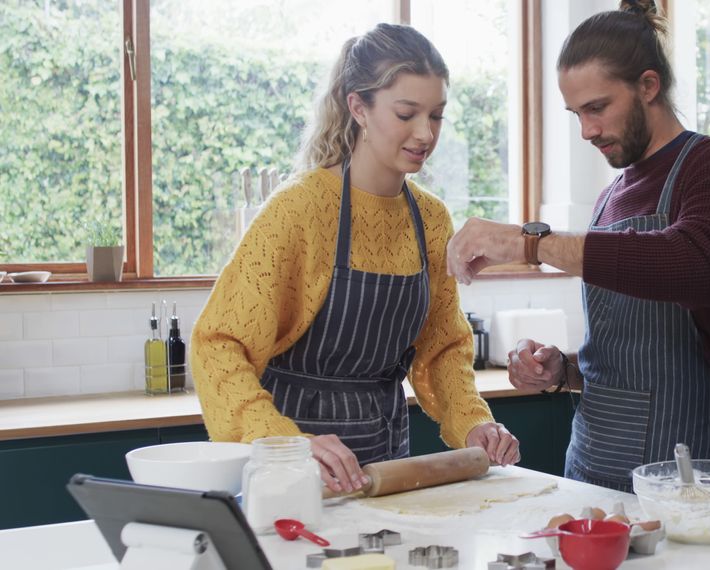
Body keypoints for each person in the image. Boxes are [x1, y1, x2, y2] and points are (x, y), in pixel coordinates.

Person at [445, 1, 710, 492]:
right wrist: (562, 369)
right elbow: (629, 356)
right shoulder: (609, 198)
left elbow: (697, 265)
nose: (587, 131)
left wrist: (528, 244)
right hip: (588, 471)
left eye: (597, 108)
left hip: (682, 482)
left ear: (648, 86)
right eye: (576, 113)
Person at [192, 24, 520, 496]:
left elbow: (443, 345)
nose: (425, 134)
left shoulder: (430, 218)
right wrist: (283, 441)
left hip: (387, 462)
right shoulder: (300, 209)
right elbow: (217, 344)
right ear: (357, 107)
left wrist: (473, 422)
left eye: (437, 115)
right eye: (406, 113)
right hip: (294, 471)